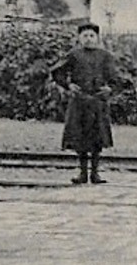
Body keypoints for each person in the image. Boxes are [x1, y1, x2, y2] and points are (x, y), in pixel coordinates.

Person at [48, 22, 130, 186]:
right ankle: (82, 172)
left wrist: (110, 89)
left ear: (97, 38)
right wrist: (68, 85)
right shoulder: (73, 55)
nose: (88, 39)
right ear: (79, 38)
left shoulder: (105, 56)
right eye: (85, 36)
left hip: (98, 102)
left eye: (92, 36)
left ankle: (95, 173)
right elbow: (57, 71)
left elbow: (118, 78)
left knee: (97, 138)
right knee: (80, 137)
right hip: (79, 101)